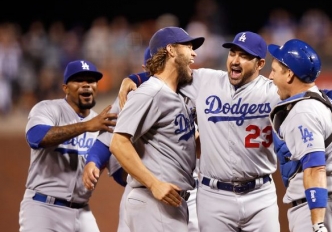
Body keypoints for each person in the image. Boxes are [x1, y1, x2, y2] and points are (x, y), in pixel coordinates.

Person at [118, 31, 332, 232]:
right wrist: (135, 78)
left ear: (260, 64)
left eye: (244, 56)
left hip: (260, 193)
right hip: (214, 194)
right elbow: (169, 73)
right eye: (233, 53)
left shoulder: (273, 90)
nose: (235, 60)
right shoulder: (205, 81)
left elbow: (311, 93)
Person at [82, 46, 201, 232]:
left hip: (184, 190)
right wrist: (94, 161)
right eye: (146, 72)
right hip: (151, 191)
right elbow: (112, 140)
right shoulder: (140, 95)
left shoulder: (188, 90)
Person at [109, 27, 204, 232]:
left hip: (170, 203)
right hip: (153, 201)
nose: (194, 53)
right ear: (170, 50)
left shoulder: (176, 96)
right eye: (188, 47)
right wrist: (154, 184)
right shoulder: (150, 93)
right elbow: (118, 143)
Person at [268, 39, 332, 232]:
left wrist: (317, 224)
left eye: (274, 70)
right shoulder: (327, 103)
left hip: (318, 209)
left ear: (289, 74)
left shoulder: (303, 112)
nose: (270, 76)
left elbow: (315, 168)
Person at [19, 59, 117, 232]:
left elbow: (117, 171)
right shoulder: (48, 109)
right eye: (79, 80)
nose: (86, 85)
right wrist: (87, 126)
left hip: (82, 211)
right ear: (65, 88)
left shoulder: (101, 123)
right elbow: (35, 137)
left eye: (91, 80)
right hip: (43, 208)